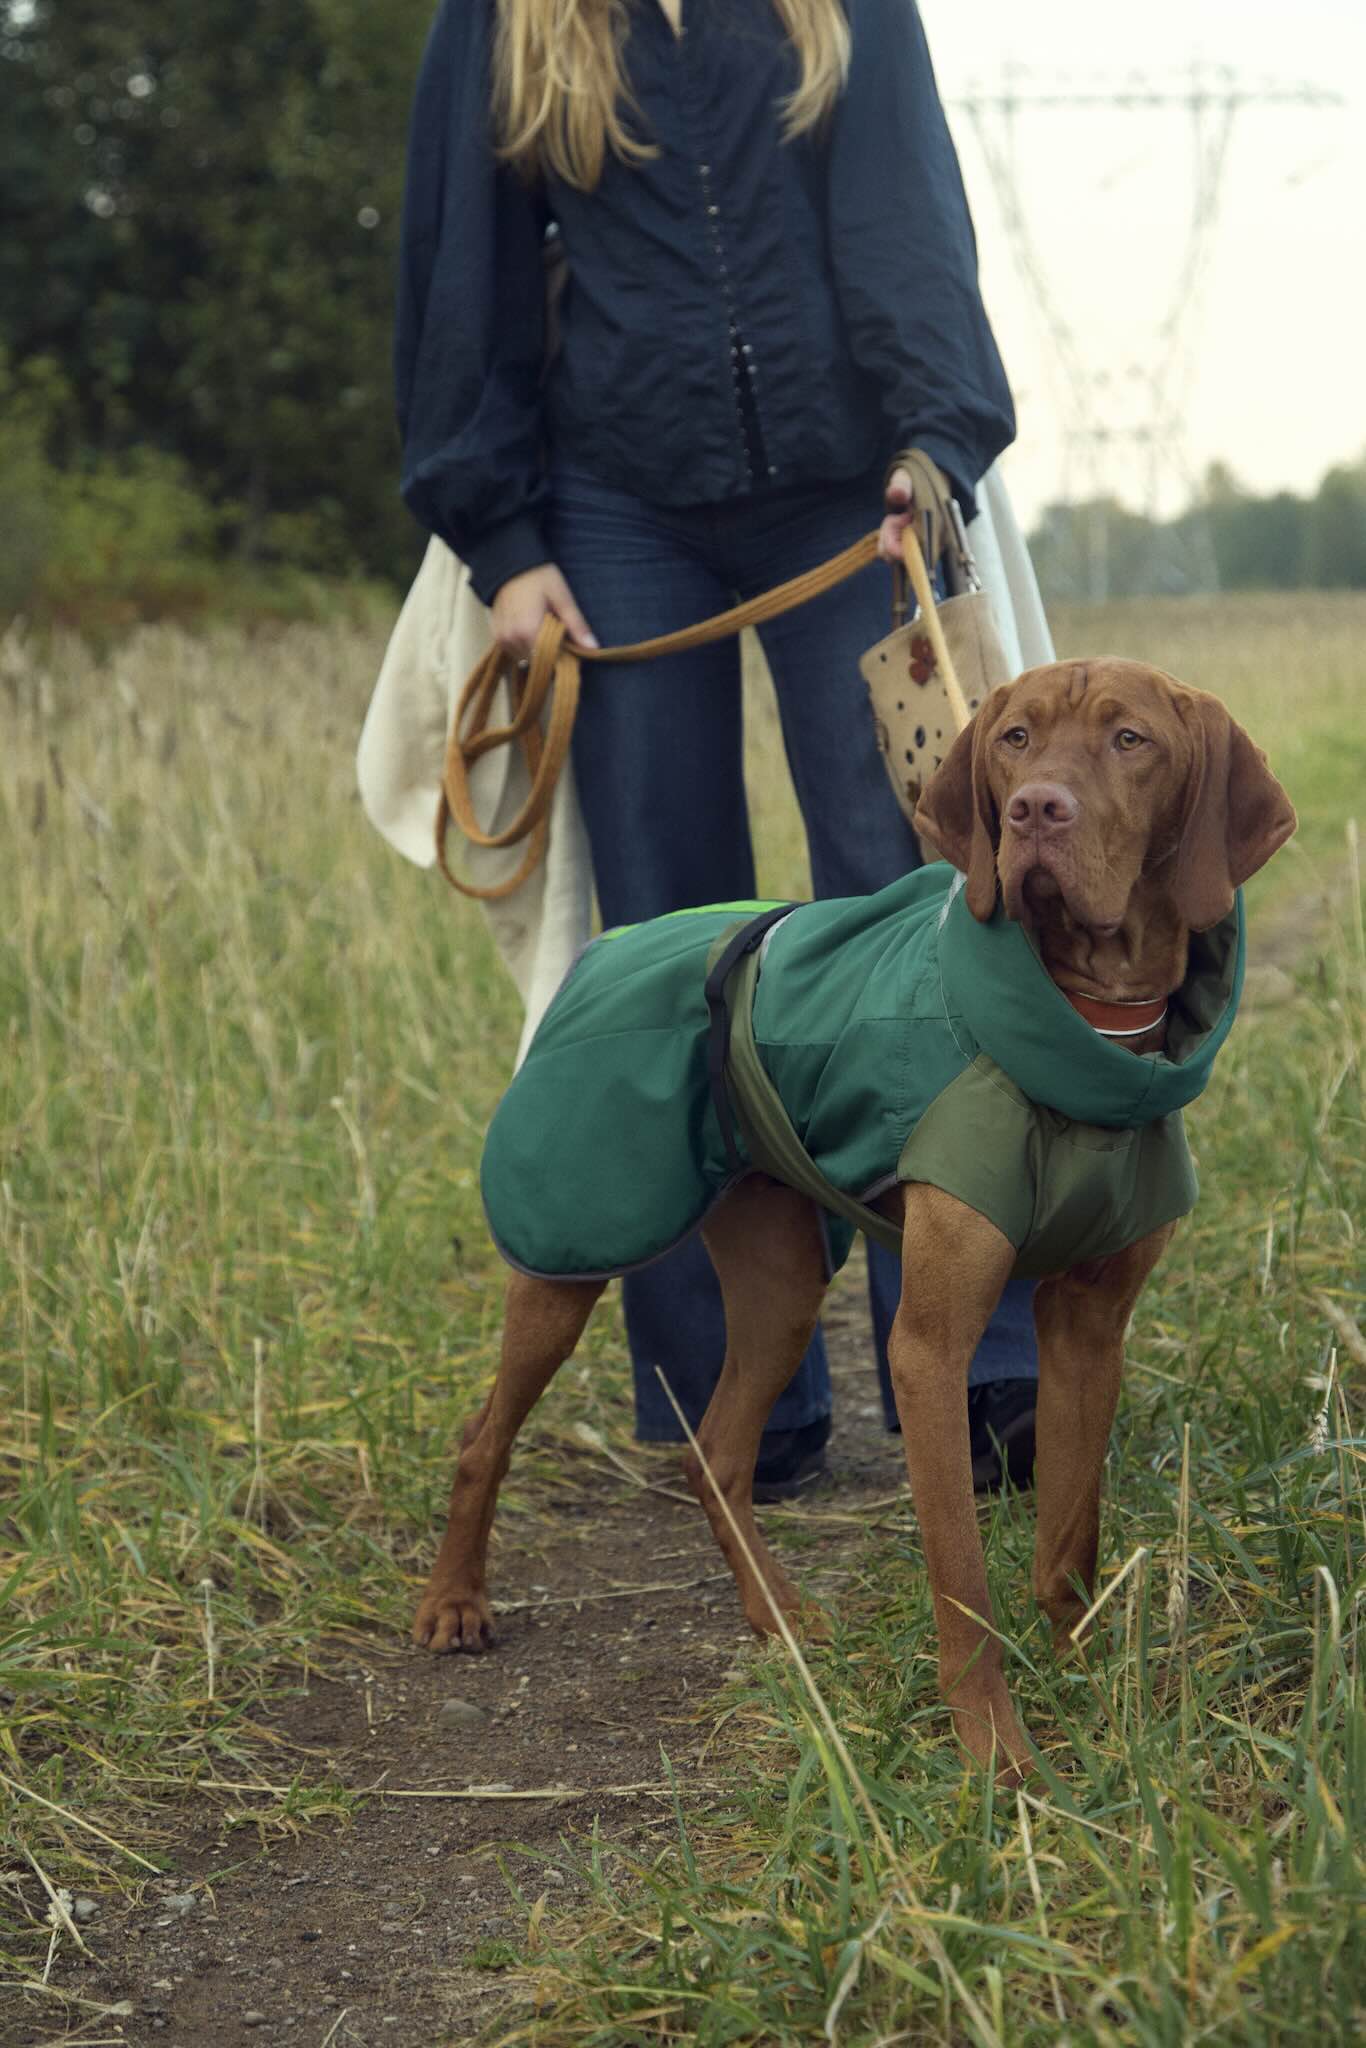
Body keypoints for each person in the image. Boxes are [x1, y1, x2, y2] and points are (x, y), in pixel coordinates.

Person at [395, 0, 1040, 1496]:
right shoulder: (501, 18)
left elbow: (907, 215)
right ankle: (726, 1402)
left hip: (848, 496)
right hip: (615, 509)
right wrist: (500, 539)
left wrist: (932, 446)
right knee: (668, 947)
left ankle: (983, 1362)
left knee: (925, 904)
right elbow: (457, 271)